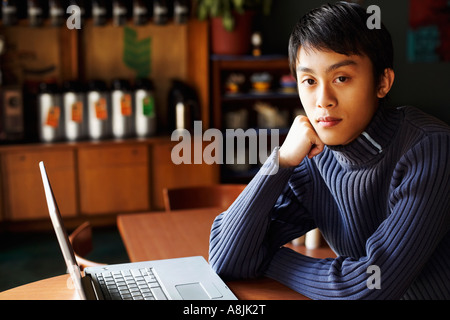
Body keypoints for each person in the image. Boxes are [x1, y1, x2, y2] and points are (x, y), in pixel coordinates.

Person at [208, 2, 450, 299]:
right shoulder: (314, 159)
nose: (323, 100)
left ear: (382, 82)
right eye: (309, 81)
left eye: (341, 78)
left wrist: (268, 259)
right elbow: (225, 257)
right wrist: (281, 161)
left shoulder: (431, 147)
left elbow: (372, 286)